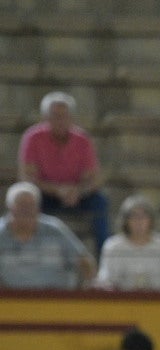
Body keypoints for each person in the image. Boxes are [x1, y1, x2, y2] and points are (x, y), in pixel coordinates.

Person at [18, 92, 109, 253]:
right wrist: (57, 190)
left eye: (64, 116)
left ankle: (103, 254)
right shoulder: (33, 138)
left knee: (100, 202)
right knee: (28, 201)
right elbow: (27, 178)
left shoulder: (83, 140)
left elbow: (94, 178)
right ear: (45, 118)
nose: (60, 120)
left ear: (71, 118)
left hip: (77, 195)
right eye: (55, 116)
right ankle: (31, 252)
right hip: (46, 195)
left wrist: (77, 192)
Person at [0, 181, 94, 289]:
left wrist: (87, 286)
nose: (26, 210)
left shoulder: (55, 229)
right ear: (10, 208)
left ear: (38, 208)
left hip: (56, 296)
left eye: (31, 205)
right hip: (10, 297)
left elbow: (84, 260)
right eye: (21, 205)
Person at [95, 194, 160, 291]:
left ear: (151, 220)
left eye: (143, 216)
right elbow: (104, 278)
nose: (139, 221)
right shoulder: (112, 246)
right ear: (125, 220)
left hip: (158, 298)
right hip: (122, 299)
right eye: (133, 216)